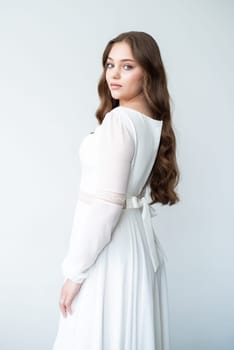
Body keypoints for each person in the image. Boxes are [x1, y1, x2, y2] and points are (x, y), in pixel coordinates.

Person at [52, 30, 179, 350]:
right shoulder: (151, 121)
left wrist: (75, 273)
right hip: (137, 244)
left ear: (148, 72)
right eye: (110, 64)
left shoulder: (121, 121)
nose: (114, 74)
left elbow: (107, 206)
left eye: (127, 66)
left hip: (112, 250)